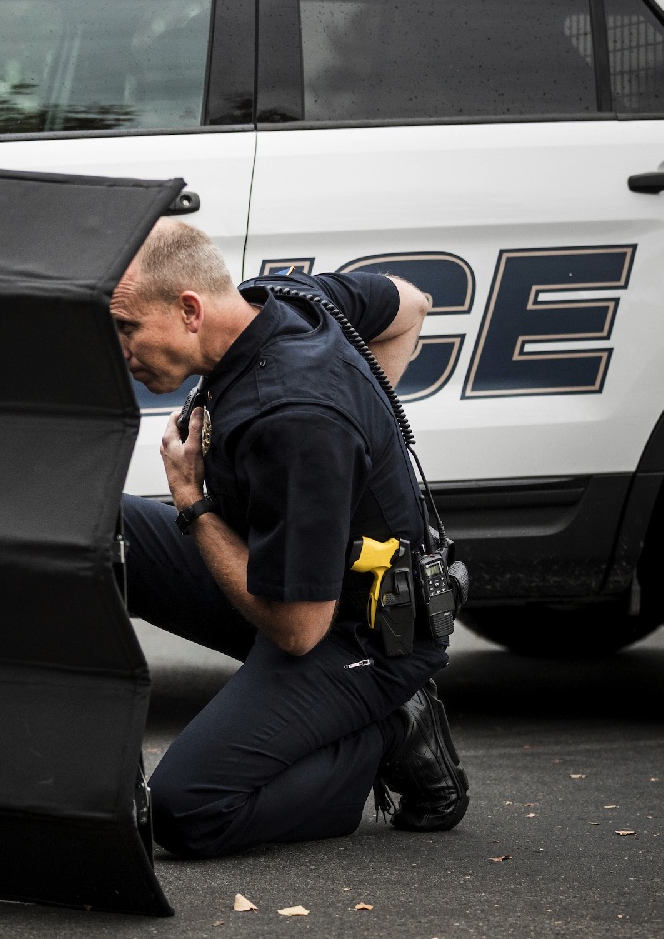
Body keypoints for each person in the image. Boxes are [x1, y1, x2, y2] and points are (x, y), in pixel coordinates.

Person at [112, 218, 469, 858]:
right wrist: (370, 431)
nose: (121, 349)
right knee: (102, 526)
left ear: (189, 310)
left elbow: (298, 629)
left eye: (127, 328)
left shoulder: (298, 419)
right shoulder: (284, 300)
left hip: (355, 631)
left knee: (188, 811)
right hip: (288, 577)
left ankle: (385, 728)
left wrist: (190, 499)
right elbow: (410, 303)